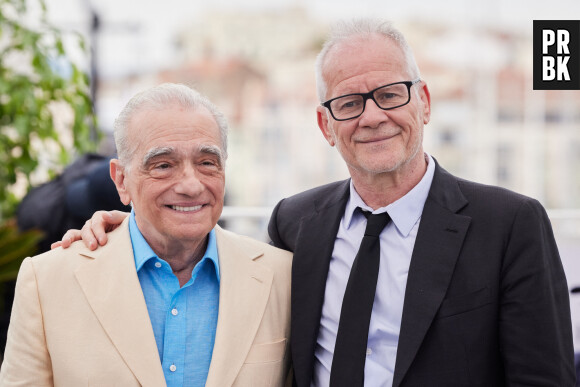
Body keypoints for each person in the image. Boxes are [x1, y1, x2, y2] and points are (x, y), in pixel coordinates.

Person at [54, 19, 575, 387]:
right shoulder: (294, 223)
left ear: (424, 102)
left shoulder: (509, 225)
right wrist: (131, 231)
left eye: (390, 94)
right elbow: (228, 275)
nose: (372, 117)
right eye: (349, 103)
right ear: (326, 126)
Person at [0, 83, 292, 387]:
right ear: (121, 180)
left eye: (207, 162)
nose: (191, 185)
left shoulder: (283, 276)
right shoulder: (47, 281)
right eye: (163, 165)